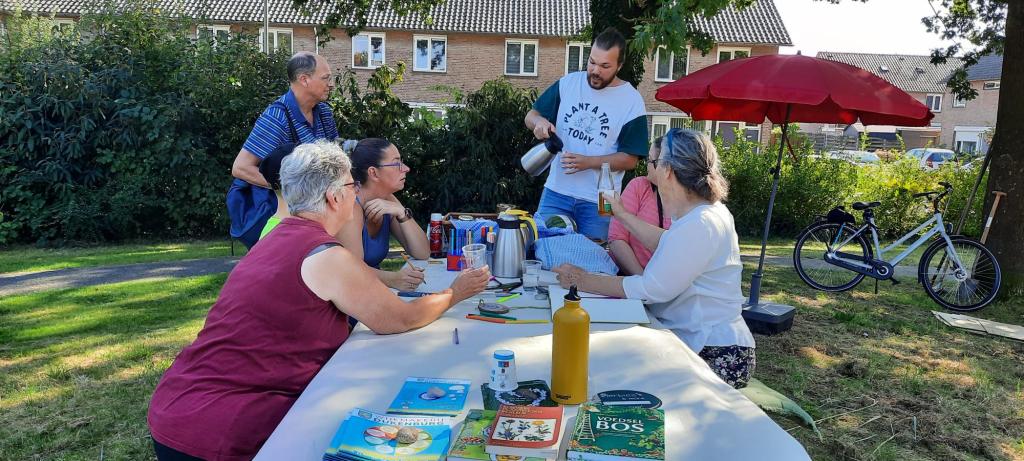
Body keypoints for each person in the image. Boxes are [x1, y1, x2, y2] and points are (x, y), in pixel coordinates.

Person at [149, 141, 490, 461]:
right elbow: (397, 319)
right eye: (349, 187)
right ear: (332, 198)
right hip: (215, 428)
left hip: (183, 406)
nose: (355, 192)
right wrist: (455, 292)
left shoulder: (279, 235)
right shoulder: (325, 255)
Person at [551, 128, 755, 389]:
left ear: (668, 170)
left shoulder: (700, 223)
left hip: (714, 351)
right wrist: (622, 215)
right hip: (712, 343)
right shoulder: (706, 214)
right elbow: (670, 243)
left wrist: (581, 280)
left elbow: (650, 288)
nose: (651, 170)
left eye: (655, 163)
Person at [524, 27, 648, 241]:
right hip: (556, 191)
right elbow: (530, 115)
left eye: (604, 66)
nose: (595, 71)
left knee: (594, 261)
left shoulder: (632, 101)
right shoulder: (569, 83)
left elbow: (630, 160)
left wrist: (589, 162)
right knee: (545, 252)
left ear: (619, 65)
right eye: (592, 62)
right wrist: (540, 122)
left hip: (601, 201)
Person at [226, 51, 339, 247]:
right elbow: (241, 168)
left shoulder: (325, 114)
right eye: (325, 78)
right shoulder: (277, 117)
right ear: (304, 79)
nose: (331, 84)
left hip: (317, 211)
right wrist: (295, 190)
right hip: (281, 214)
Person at [336, 138, 429, 291]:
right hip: (347, 305)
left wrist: (401, 212)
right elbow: (352, 271)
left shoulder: (387, 199)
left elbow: (422, 252)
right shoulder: (351, 207)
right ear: (373, 172)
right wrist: (393, 278)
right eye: (396, 163)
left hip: (370, 295)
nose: (406, 168)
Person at [607, 135, 672, 275]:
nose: (646, 164)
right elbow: (616, 238)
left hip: (666, 286)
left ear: (666, 166)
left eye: (650, 160)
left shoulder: (692, 207)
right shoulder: (640, 186)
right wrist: (642, 280)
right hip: (629, 278)